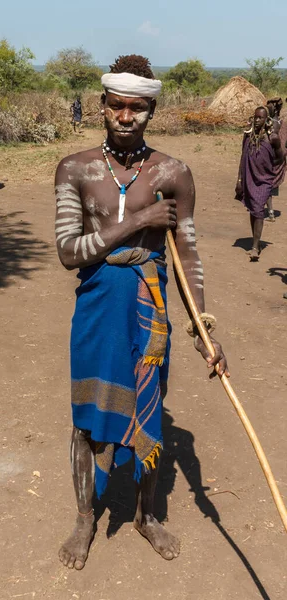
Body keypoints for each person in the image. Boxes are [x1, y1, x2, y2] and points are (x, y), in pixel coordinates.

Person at [55, 54, 229, 570]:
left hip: (150, 310)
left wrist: (203, 329)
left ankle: (145, 516)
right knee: (87, 418)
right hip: (97, 308)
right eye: (116, 106)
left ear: (152, 110)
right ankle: (85, 518)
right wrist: (138, 222)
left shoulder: (174, 173)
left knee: (148, 408)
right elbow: (69, 252)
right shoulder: (77, 169)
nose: (125, 116)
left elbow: (188, 253)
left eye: (137, 108)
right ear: (101, 105)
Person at [235, 106, 284, 261]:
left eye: (260, 118)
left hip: (264, 179)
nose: (256, 120)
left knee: (257, 209)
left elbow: (280, 157)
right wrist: (240, 179)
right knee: (252, 209)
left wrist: (268, 169)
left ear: (266, 120)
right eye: (255, 117)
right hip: (249, 176)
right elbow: (243, 157)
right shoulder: (248, 135)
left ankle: (255, 246)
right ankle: (256, 241)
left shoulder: (273, 138)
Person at [266, 98, 287, 221]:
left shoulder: (272, 123)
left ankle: (270, 212)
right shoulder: (281, 122)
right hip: (278, 157)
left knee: (267, 184)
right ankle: (270, 211)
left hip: (272, 158)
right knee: (269, 185)